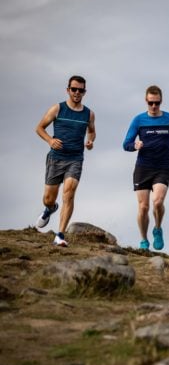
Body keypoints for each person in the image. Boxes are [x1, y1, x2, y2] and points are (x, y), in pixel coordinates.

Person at [123, 85, 169, 251]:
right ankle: (144, 240)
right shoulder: (138, 120)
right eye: (151, 103)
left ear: (161, 101)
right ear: (146, 101)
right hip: (143, 168)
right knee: (143, 207)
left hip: (162, 167)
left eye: (157, 103)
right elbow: (126, 144)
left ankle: (157, 228)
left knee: (157, 202)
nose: (154, 106)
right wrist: (134, 145)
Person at [34, 75, 96, 247]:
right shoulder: (57, 109)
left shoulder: (89, 114)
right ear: (68, 90)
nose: (77, 93)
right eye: (74, 89)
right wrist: (50, 140)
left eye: (81, 90)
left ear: (85, 92)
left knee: (69, 193)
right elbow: (39, 128)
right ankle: (49, 208)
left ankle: (59, 235)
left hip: (75, 159)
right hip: (56, 158)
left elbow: (91, 131)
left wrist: (90, 141)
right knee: (48, 198)